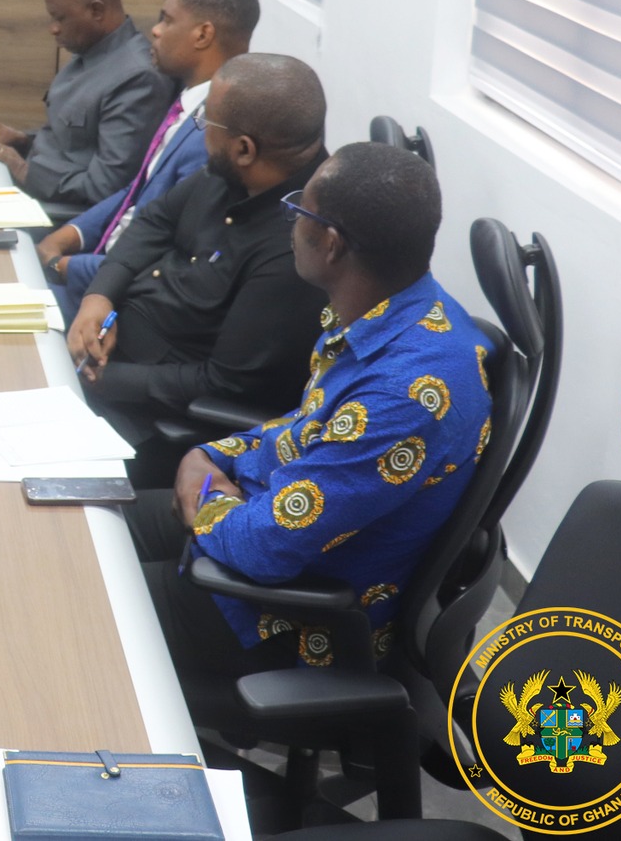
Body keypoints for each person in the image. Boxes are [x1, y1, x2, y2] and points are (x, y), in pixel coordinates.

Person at [124, 143, 490, 680]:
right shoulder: (394, 310)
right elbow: (305, 429)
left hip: (279, 619)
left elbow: (264, 549)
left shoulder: (405, 396)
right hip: (250, 517)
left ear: (332, 244)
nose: (290, 223)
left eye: (299, 211)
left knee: (75, 602)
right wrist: (210, 455)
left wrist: (204, 496)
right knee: (81, 530)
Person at [68, 54, 330, 473]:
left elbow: (225, 383)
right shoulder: (233, 173)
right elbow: (156, 219)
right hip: (108, 344)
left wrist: (103, 378)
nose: (201, 128)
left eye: (207, 121)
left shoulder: (294, 251)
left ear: (244, 149)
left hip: (149, 419)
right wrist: (99, 296)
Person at [37, 0, 260, 319]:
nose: (154, 31)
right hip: (97, 266)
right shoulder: (188, 105)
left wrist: (65, 267)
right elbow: (139, 189)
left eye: (167, 20)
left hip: (116, 298)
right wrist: (69, 234)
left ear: (203, 35)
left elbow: (164, 254)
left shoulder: (214, 136)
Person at [0, 0, 174, 221]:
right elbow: (73, 144)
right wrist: (22, 140)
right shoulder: (92, 50)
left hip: (60, 214)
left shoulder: (138, 78)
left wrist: (22, 169)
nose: (53, 28)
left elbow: (106, 187)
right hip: (36, 190)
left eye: (60, 18)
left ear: (96, 11)